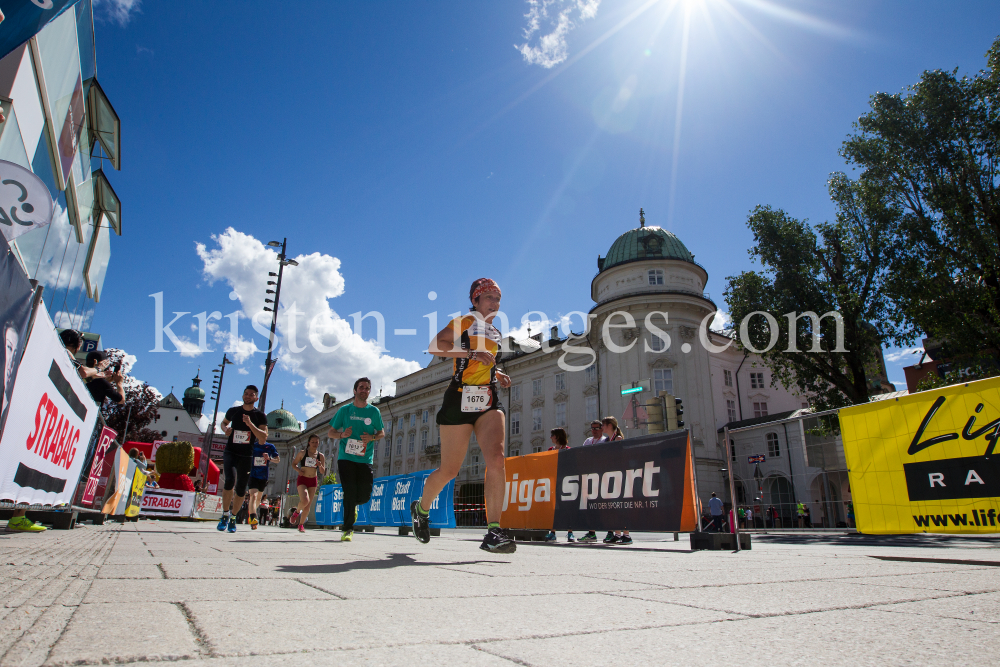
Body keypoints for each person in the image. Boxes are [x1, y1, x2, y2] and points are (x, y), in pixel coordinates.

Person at [410, 278, 514, 553]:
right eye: (489, 297)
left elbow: (482, 363)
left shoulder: (495, 331)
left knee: (496, 458)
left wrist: (497, 373)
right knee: (449, 470)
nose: (495, 303)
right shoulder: (465, 321)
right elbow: (436, 345)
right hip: (459, 398)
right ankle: (421, 509)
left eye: (498, 298)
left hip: (488, 398)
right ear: (476, 300)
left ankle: (494, 531)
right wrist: (472, 352)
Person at [328, 377, 384, 542]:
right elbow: (330, 432)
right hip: (346, 458)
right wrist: (341, 435)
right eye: (361, 387)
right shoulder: (345, 410)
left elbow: (381, 433)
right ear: (355, 390)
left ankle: (353, 507)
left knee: (365, 496)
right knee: (349, 493)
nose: (364, 390)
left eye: (367, 388)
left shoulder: (374, 412)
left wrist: (372, 437)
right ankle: (347, 529)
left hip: (365, 459)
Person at [217, 385, 269, 534]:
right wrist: (225, 429)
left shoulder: (260, 416)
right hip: (231, 451)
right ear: (243, 396)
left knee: (240, 488)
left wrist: (250, 424)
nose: (247, 396)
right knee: (229, 481)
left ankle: (233, 517)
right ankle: (225, 514)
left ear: (256, 398)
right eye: (245, 394)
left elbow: (263, 437)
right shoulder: (234, 411)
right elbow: (224, 423)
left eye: (251, 395)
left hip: (247, 455)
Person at [599, 417, 631, 545]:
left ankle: (627, 535)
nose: (602, 427)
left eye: (603, 425)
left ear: (610, 425)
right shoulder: (607, 440)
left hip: (619, 475)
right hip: (611, 475)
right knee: (613, 507)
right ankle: (617, 534)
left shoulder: (618, 439)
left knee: (621, 505)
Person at [289, 435, 326, 533]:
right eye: (313, 442)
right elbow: (294, 464)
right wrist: (298, 470)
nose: (315, 444)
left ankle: (301, 525)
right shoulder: (302, 453)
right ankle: (296, 512)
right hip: (303, 479)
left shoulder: (320, 456)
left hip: (313, 480)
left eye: (317, 442)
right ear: (309, 442)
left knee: (308, 506)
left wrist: (320, 465)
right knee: (305, 500)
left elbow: (322, 471)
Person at [544, 428, 574, 543]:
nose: (551, 437)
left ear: (557, 436)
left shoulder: (567, 450)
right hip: (554, 481)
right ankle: (552, 532)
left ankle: (570, 532)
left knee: (567, 508)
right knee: (553, 509)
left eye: (552, 435)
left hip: (565, 482)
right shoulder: (550, 449)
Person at [247, 439, 279, 531]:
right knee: (253, 495)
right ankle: (253, 517)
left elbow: (278, 460)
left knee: (258, 498)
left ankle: (251, 513)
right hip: (253, 474)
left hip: (263, 476)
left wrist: (269, 458)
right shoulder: (253, 446)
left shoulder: (270, 446)